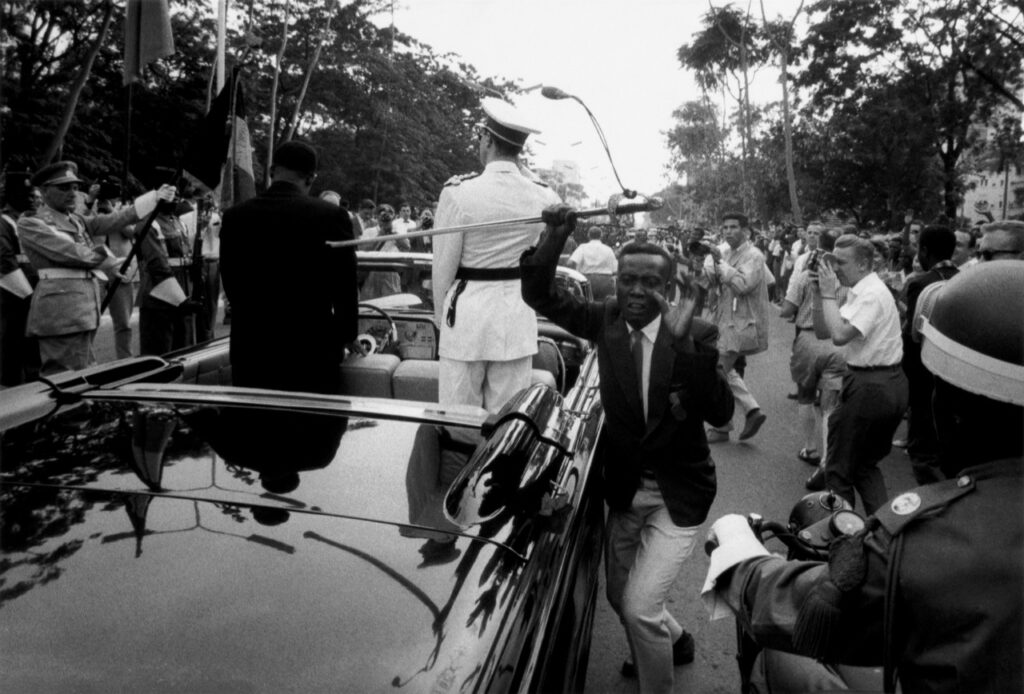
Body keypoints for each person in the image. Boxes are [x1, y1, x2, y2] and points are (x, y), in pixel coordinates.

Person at [703, 261, 1023, 693]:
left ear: (947, 407)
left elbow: (787, 608)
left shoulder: (929, 542)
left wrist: (736, 547)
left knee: (779, 656)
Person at [522, 207, 734, 694]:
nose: (637, 292)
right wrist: (556, 236)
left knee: (639, 608)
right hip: (622, 489)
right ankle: (674, 640)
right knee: (621, 597)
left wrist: (687, 348)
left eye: (650, 282)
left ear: (669, 286)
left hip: (678, 496)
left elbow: (722, 414)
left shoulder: (696, 333)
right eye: (627, 280)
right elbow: (537, 293)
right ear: (616, 282)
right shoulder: (606, 319)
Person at [432, 97, 561, 413]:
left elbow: (443, 271)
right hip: (516, 316)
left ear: (487, 139)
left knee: (458, 420)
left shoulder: (458, 192)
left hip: (465, 318)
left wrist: (440, 320)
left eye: (481, 138)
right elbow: (552, 209)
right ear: (519, 149)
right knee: (506, 420)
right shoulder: (543, 195)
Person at [220, 140, 359, 394]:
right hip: (311, 350)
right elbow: (345, 286)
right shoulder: (331, 216)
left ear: (272, 172)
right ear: (311, 178)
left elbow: (231, 281)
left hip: (251, 347)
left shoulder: (235, 217)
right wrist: (348, 335)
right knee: (311, 430)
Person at [17, 161, 174, 375]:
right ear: (44, 191)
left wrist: (154, 197)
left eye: (74, 187)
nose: (72, 193)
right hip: (61, 312)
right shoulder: (33, 223)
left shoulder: (77, 220)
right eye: (63, 188)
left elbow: (116, 219)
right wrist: (106, 258)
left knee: (84, 374)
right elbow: (69, 252)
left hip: (81, 309)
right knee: (64, 377)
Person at [814, 234, 908, 513]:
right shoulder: (867, 289)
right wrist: (820, 293)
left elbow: (840, 335)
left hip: (870, 386)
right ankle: (882, 535)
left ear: (865, 264)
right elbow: (824, 330)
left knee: (839, 469)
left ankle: (846, 540)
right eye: (831, 261)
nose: (835, 268)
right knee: (864, 466)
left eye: (841, 262)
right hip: (886, 383)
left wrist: (829, 293)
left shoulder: (870, 294)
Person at [703, 211, 770, 442]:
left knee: (716, 371)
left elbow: (742, 285)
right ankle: (749, 411)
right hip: (725, 321)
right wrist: (710, 264)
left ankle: (724, 424)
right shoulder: (727, 253)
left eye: (733, 227)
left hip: (742, 324)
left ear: (746, 231)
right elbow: (714, 284)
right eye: (725, 228)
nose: (728, 231)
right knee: (719, 368)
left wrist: (721, 265)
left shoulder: (754, 256)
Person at [901, 225, 958, 484]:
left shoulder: (921, 283)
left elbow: (912, 335)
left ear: (924, 251)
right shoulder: (964, 279)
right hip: (956, 376)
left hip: (924, 377)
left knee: (922, 449)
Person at [0, 170, 40, 385]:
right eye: (28, 195)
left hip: (31, 293)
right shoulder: (4, 223)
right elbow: (5, 262)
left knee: (30, 345)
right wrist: (28, 295)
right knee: (13, 343)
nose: (32, 200)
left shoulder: (23, 222)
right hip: (15, 295)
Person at [568, 225, 618, 300]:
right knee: (604, 308)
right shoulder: (608, 249)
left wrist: (575, 274)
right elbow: (615, 270)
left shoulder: (582, 247)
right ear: (601, 236)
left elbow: (570, 263)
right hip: (606, 282)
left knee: (585, 307)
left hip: (586, 281)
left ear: (588, 235)